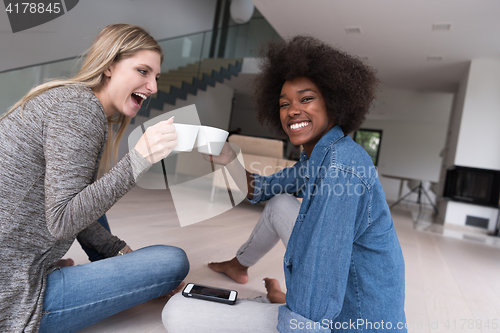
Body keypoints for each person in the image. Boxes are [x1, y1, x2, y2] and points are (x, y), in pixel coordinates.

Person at [162, 36, 406, 332]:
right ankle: (241, 267)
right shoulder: (321, 157)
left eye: (306, 99)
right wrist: (227, 157)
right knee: (279, 203)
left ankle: (277, 300)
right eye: (284, 104)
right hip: (341, 295)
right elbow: (262, 189)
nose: (292, 110)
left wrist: (287, 313)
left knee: (176, 311)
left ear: (333, 101)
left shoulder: (341, 169)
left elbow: (320, 284)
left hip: (354, 322)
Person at [0, 24, 190, 333]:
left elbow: (74, 203)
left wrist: (118, 252)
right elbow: (62, 221)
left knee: (87, 194)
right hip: (10, 296)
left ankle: (109, 260)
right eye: (143, 71)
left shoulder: (67, 99)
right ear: (110, 66)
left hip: (12, 265)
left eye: (156, 77)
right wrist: (140, 158)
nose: (153, 87)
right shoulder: (81, 111)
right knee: (171, 261)